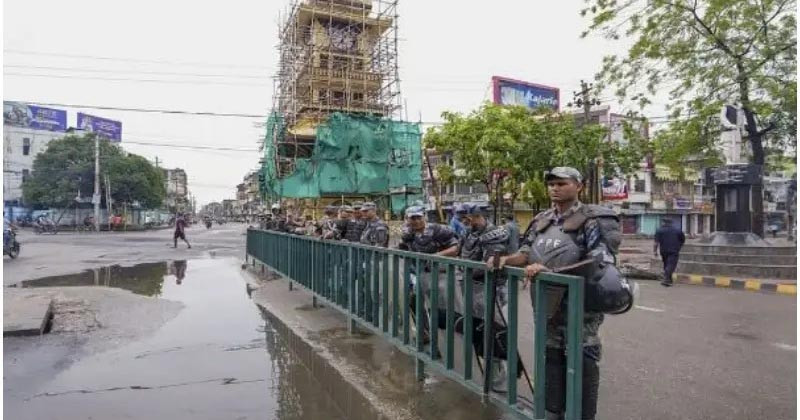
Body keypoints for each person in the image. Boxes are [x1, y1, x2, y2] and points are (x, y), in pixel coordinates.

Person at [490, 167, 623, 420]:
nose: (555, 188)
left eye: (562, 183)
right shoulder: (542, 219)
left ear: (579, 186)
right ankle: (553, 412)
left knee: (583, 360)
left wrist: (550, 269)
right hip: (547, 305)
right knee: (551, 358)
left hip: (580, 308)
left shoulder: (594, 220)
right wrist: (504, 260)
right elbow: (526, 252)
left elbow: (599, 261)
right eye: (551, 184)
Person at [454, 201, 512, 392]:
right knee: (478, 330)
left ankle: (498, 377)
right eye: (466, 218)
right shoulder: (468, 232)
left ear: (482, 216)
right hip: (470, 286)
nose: (468, 221)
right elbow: (460, 252)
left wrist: (466, 269)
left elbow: (487, 265)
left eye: (472, 217)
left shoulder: (495, 234)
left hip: (490, 288)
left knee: (493, 331)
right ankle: (487, 372)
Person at [397, 205, 459, 344]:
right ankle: (425, 333)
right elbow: (402, 250)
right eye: (412, 218)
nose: (416, 221)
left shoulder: (439, 230)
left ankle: (444, 342)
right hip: (421, 275)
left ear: (424, 216)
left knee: (441, 308)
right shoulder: (408, 234)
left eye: (418, 217)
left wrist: (437, 256)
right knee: (415, 302)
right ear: (407, 219)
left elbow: (455, 248)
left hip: (442, 275)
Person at [654, 218, 685, 287]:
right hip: (674, 250)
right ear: (671, 223)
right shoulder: (678, 230)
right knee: (671, 265)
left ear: (664, 223)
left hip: (663, 251)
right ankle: (666, 279)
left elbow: (656, 243)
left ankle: (669, 280)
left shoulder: (659, 230)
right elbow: (682, 240)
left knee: (666, 265)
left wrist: (655, 251)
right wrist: (679, 247)